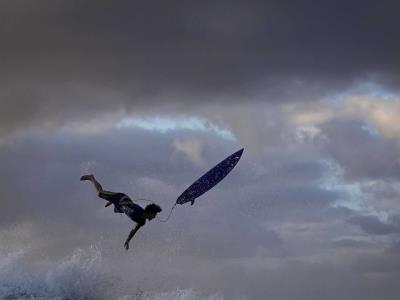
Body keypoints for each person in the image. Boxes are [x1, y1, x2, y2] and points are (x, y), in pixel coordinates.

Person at [80, 174, 162, 250]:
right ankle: (92, 178)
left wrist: (127, 240)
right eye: (154, 215)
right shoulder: (138, 210)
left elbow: (134, 230)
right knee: (99, 193)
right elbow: (129, 203)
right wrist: (114, 201)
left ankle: (112, 201)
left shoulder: (142, 221)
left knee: (114, 204)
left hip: (120, 207)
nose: (154, 217)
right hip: (120, 198)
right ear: (150, 212)